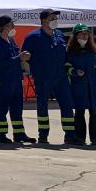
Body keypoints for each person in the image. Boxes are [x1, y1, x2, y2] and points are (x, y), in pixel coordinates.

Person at [23, 10, 75, 144]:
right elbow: (25, 57)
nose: (55, 20)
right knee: (42, 106)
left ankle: (70, 135)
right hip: (43, 77)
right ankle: (43, 135)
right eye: (52, 18)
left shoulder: (59, 35)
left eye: (55, 18)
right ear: (43, 20)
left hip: (61, 77)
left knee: (67, 105)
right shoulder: (33, 37)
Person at [0, 16, 36, 144]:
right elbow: (1, 63)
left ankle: (19, 133)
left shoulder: (11, 40)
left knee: (17, 108)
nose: (14, 27)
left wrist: (23, 56)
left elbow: (15, 55)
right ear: (5, 27)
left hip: (16, 79)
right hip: (4, 80)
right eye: (11, 25)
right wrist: (19, 58)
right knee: (2, 108)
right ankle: (0, 134)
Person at [66, 24, 96, 146]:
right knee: (79, 112)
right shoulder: (70, 52)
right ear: (76, 36)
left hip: (94, 86)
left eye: (86, 33)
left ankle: (95, 139)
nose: (85, 36)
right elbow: (66, 66)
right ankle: (79, 138)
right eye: (82, 33)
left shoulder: (94, 51)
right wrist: (75, 71)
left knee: (94, 112)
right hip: (79, 86)